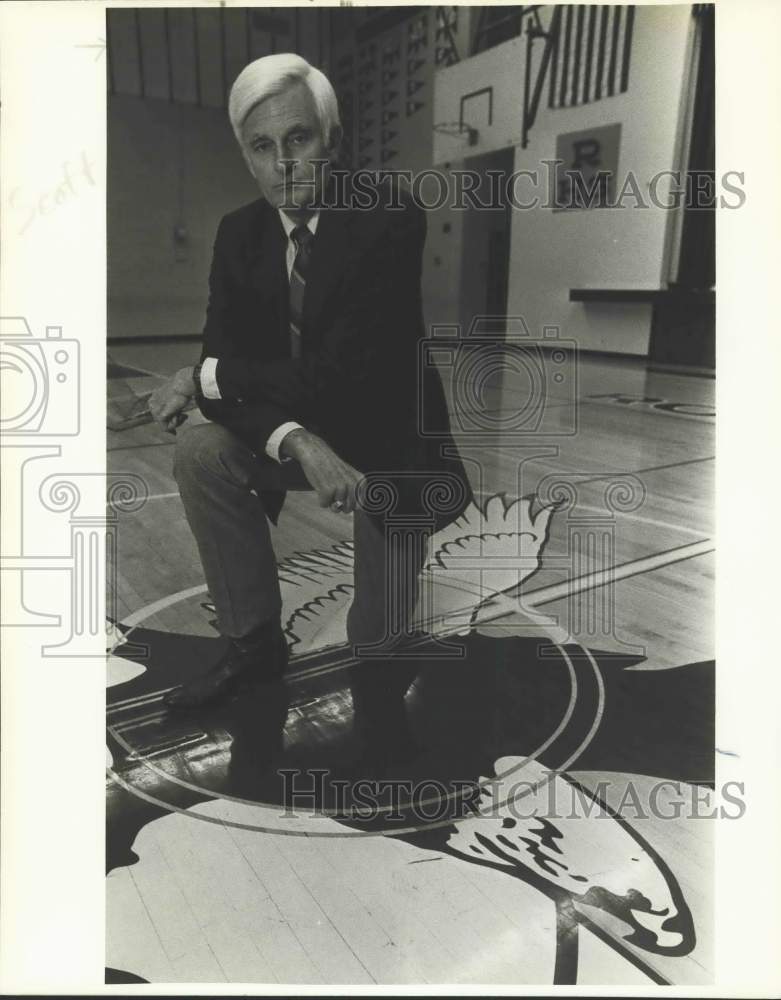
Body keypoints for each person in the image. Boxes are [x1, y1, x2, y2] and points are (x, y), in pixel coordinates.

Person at [148, 54, 471, 747]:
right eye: (260, 147)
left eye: (297, 139)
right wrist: (295, 437)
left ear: (333, 139)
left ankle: (383, 656)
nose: (281, 165)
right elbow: (224, 358)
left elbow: (338, 375)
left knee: (376, 653)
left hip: (386, 445)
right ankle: (254, 646)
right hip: (306, 433)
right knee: (201, 448)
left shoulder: (385, 214)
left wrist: (203, 377)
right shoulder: (240, 233)